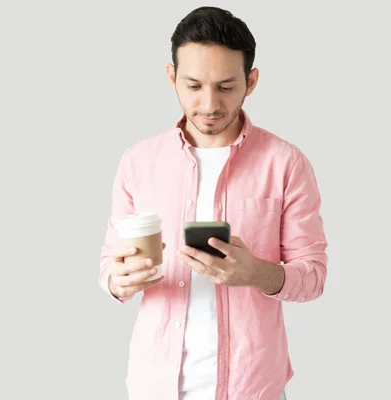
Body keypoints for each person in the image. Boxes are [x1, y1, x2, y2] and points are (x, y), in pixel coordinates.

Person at [99, 6, 328, 400]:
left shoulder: (286, 163)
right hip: (154, 385)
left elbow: (314, 275)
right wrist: (116, 281)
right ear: (171, 77)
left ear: (251, 81)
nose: (209, 104)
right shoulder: (138, 162)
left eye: (226, 86)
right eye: (193, 85)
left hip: (252, 387)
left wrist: (258, 273)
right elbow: (109, 262)